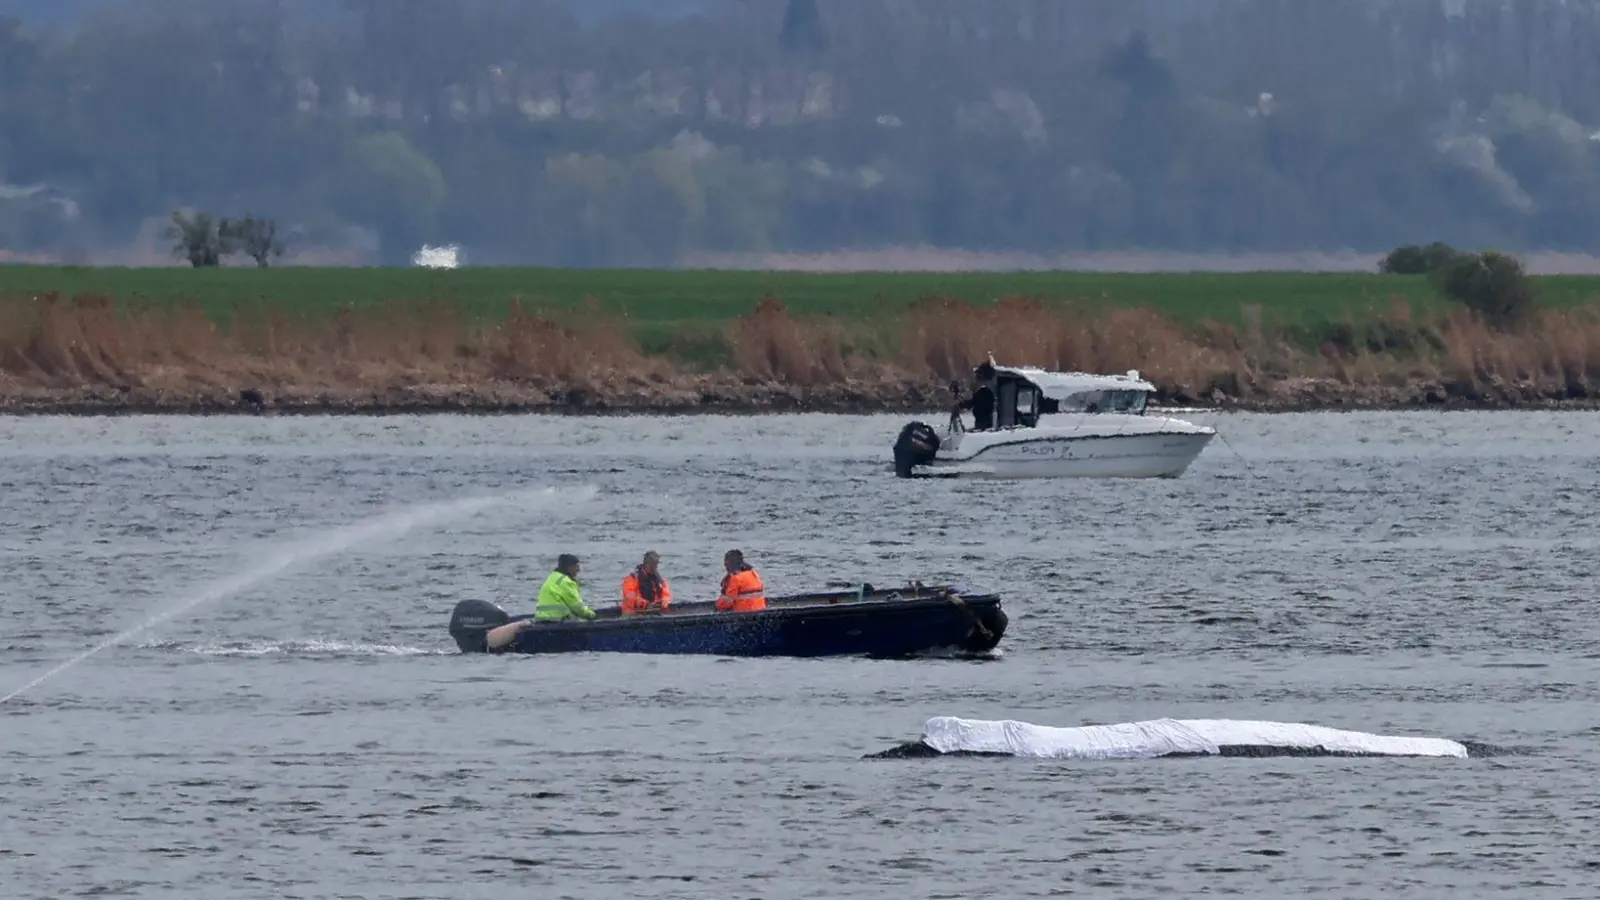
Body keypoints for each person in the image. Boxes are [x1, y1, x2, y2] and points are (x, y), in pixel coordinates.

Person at [534, 553, 596, 622]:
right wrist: (592, 615)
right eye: (577, 566)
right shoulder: (566, 582)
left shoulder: (552, 577)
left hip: (541, 619)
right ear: (569, 567)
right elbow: (578, 608)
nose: (579, 569)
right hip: (558, 622)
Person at [620, 551, 673, 615]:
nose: (655, 567)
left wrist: (664, 601)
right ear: (646, 564)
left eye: (656, 565)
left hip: (653, 612)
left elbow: (666, 594)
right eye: (652, 565)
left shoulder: (658, 579)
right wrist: (646, 604)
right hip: (633, 614)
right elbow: (630, 598)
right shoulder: (632, 579)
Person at [955, 364, 996, 431]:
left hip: (984, 424)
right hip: (983, 423)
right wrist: (962, 404)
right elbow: (973, 402)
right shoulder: (985, 391)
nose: (975, 378)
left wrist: (962, 404)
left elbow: (974, 403)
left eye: (977, 375)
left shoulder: (984, 391)